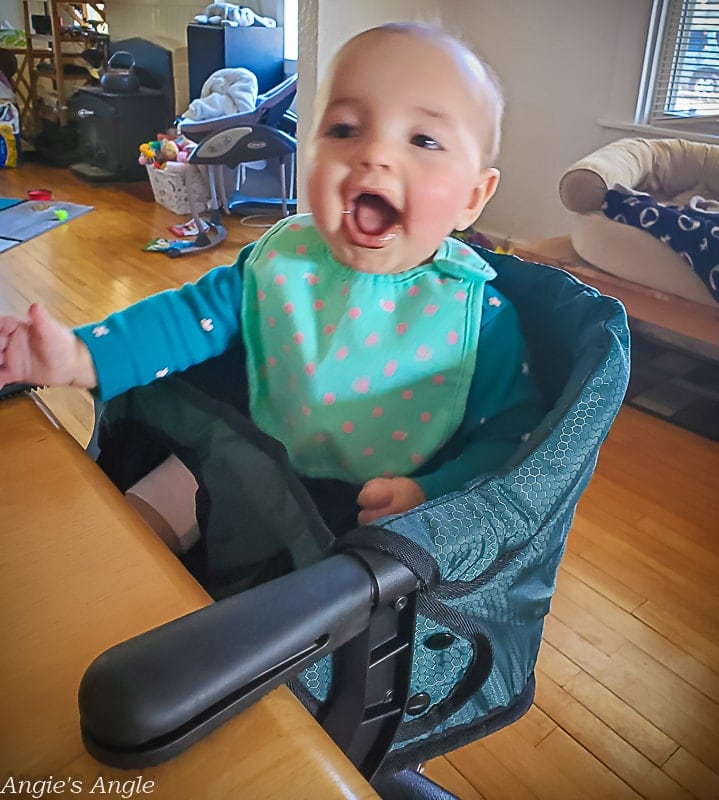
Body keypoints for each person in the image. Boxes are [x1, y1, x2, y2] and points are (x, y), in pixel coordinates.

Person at [0, 22, 543, 547]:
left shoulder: (478, 315)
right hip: (254, 456)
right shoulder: (282, 260)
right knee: (117, 543)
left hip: (375, 526)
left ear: (474, 195)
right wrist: (75, 355)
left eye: (423, 139)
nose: (374, 154)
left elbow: (510, 439)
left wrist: (432, 491)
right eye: (345, 129)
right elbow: (189, 319)